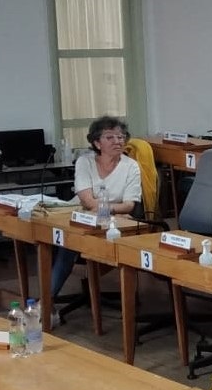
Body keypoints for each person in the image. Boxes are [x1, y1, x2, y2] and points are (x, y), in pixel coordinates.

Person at [48, 117, 143, 305]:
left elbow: (129, 206)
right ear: (97, 143)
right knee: (66, 242)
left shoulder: (131, 166)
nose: (117, 141)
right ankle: (46, 302)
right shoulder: (84, 162)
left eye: (120, 137)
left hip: (111, 222)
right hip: (80, 216)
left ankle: (45, 303)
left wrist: (105, 209)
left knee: (73, 244)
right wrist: (112, 208)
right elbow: (87, 200)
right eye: (110, 137)